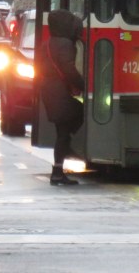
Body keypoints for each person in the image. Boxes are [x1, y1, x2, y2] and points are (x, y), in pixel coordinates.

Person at [39, 9, 85, 186]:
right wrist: (83, 85)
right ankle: (58, 170)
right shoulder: (65, 44)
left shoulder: (47, 43)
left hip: (50, 90)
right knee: (70, 123)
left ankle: (59, 169)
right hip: (60, 91)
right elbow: (69, 69)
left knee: (62, 131)